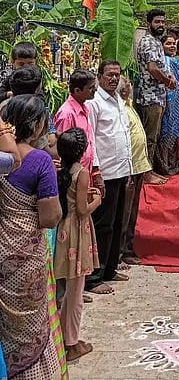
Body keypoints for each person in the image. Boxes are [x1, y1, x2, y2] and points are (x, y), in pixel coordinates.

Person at [0, 95, 63, 380]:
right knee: (31, 324)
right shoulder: (40, 160)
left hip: (2, 243)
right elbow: (49, 217)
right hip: (27, 253)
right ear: (37, 126)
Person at [85, 60, 132, 295]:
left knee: (117, 222)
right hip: (105, 171)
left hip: (121, 169)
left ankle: (110, 268)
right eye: (109, 75)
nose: (114, 79)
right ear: (100, 76)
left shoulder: (119, 100)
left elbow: (123, 133)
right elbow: (91, 139)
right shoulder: (94, 102)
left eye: (117, 74)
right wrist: (96, 171)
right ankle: (94, 276)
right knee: (102, 224)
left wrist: (129, 168)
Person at [55, 128, 101, 363]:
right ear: (82, 151)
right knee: (75, 293)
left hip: (63, 230)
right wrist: (97, 201)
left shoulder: (60, 170)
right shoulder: (81, 173)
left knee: (68, 290)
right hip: (77, 231)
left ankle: (66, 337)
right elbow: (82, 210)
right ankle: (71, 343)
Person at [118, 76, 163, 267]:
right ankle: (119, 254)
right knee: (124, 212)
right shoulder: (117, 108)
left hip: (138, 166)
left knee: (132, 212)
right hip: (126, 168)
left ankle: (128, 249)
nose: (129, 87)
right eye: (127, 84)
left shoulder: (128, 105)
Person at [135, 9, 175, 180]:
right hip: (149, 96)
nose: (161, 25)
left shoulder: (156, 42)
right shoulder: (149, 42)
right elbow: (152, 69)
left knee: (154, 136)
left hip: (158, 96)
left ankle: (150, 170)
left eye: (163, 22)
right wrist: (168, 81)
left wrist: (169, 76)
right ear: (149, 23)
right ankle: (145, 174)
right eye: (157, 22)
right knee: (149, 137)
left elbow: (160, 66)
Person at [158, 36, 179, 175]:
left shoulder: (178, 61)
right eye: (168, 44)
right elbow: (171, 81)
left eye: (173, 43)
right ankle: (166, 165)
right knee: (168, 132)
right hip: (169, 100)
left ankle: (176, 162)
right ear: (162, 46)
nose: (172, 46)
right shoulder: (164, 61)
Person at [54, 69, 97, 178]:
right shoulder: (67, 114)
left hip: (85, 170)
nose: (95, 90)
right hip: (73, 175)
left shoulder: (84, 108)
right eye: (91, 87)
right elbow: (63, 147)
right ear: (77, 90)